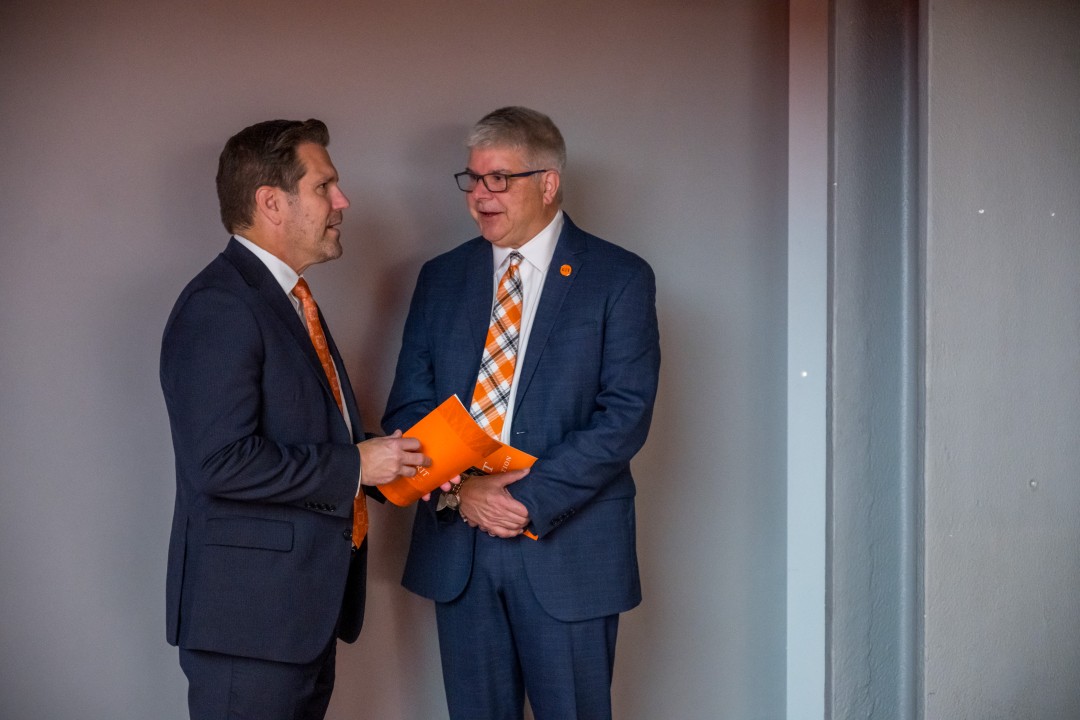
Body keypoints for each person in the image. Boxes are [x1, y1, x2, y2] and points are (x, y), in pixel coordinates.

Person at [383, 106, 661, 720]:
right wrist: (468, 491)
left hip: (569, 547)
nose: (481, 195)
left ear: (548, 183)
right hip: (460, 546)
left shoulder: (619, 277)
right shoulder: (441, 277)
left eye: (499, 179)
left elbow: (624, 416)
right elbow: (409, 405)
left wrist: (524, 501)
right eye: (473, 179)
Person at [160, 118, 431, 719]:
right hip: (248, 627)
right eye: (324, 186)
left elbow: (306, 433)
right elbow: (218, 463)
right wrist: (355, 463)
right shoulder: (221, 305)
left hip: (294, 619)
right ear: (271, 202)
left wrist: (391, 460)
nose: (343, 201)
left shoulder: (286, 298)